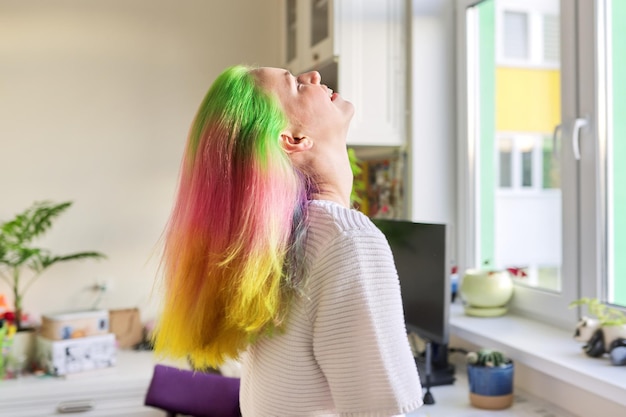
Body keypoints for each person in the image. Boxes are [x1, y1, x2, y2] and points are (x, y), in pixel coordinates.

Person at [153, 65, 423, 416]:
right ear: (292, 139)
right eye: (295, 84)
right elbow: (389, 412)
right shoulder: (348, 241)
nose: (312, 75)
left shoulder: (279, 245)